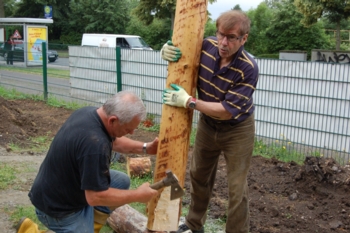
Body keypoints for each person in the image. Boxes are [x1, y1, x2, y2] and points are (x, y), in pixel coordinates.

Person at [161, 10, 259, 233]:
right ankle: (194, 224)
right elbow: (181, 58)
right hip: (208, 125)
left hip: (237, 129)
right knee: (199, 175)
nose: (223, 42)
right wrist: (165, 51)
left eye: (231, 37)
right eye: (221, 34)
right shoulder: (205, 46)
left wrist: (189, 102)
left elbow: (226, 111)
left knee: (237, 188)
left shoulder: (248, 68)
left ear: (244, 38)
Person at [17, 90, 159, 233]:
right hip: (57, 209)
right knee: (99, 195)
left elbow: (114, 141)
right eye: (128, 129)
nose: (131, 133)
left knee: (120, 181)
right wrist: (137, 195)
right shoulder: (95, 146)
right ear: (113, 120)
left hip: (61, 187)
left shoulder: (90, 113)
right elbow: (95, 197)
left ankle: (90, 227)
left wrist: (146, 148)